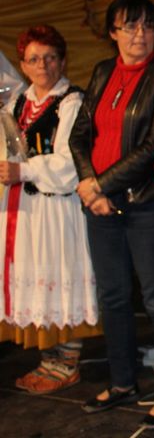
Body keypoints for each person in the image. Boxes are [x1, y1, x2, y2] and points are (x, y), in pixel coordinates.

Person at [68, 0, 154, 429]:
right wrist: (90, 186)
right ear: (113, 32)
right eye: (130, 25)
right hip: (100, 205)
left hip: (148, 204)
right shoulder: (103, 72)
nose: (141, 34)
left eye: (148, 25)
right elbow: (80, 135)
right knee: (113, 297)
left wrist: (101, 184)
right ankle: (122, 382)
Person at [0, 25, 100, 394]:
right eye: (34, 59)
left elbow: (71, 161)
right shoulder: (17, 105)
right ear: (23, 65)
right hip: (28, 209)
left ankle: (67, 361)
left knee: (60, 273)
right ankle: (50, 359)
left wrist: (23, 171)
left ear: (62, 61)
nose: (42, 65)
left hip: (58, 208)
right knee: (38, 278)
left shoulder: (72, 102)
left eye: (50, 58)